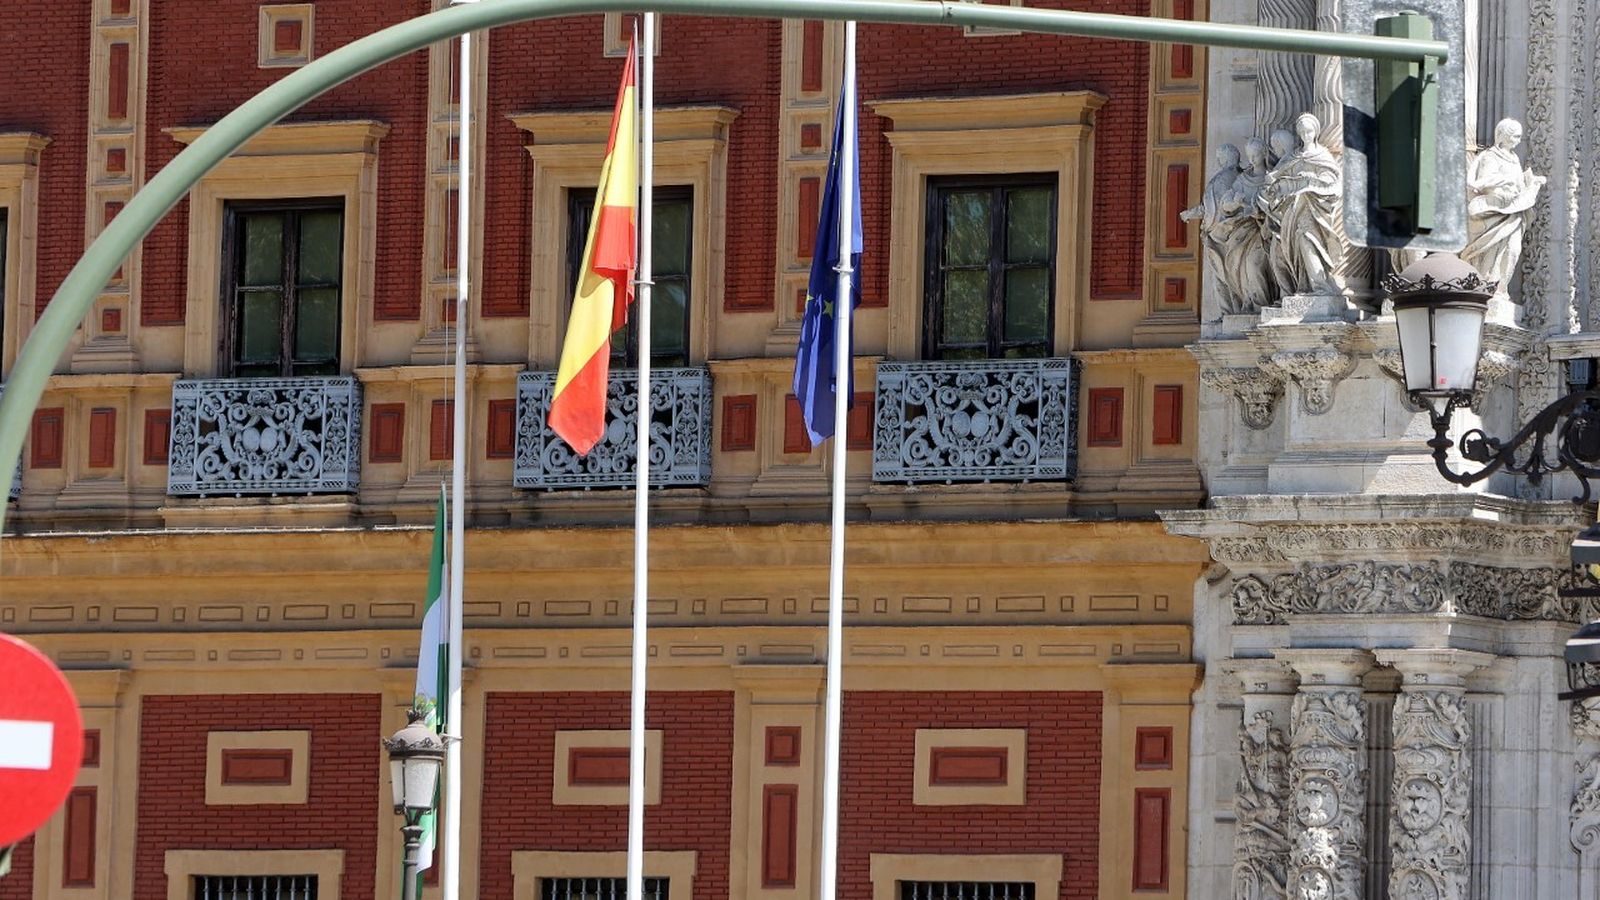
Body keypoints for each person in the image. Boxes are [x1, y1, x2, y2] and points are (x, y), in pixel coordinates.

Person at [1260, 113, 1343, 296]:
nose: (1306, 134)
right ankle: (1302, 286)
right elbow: (1276, 181)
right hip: (1291, 211)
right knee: (1294, 247)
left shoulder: (1322, 155)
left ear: (1315, 132)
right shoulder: (1293, 157)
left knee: (1308, 241)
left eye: (1309, 131)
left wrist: (1311, 181)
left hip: (1312, 209)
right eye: (1303, 131)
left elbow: (1332, 180)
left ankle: (1321, 286)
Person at [1461, 118, 1545, 292]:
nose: (1518, 140)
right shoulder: (1490, 156)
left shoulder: (1514, 159)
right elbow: (1483, 182)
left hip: (1513, 211)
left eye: (1519, 136)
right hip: (1495, 210)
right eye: (1515, 136)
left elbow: (1519, 185)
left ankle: (1501, 289)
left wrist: (1531, 182)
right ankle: (1485, 287)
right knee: (1491, 251)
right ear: (1504, 136)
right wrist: (1505, 180)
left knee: (1512, 251)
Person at [1181, 144, 1241, 311]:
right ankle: (1230, 311)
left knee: (1224, 276)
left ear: (1227, 157)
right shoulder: (1235, 176)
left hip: (1221, 232)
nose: (1218, 160)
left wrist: (1192, 213)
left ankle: (1229, 312)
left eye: (1220, 156)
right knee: (1227, 275)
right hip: (1225, 232)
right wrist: (1191, 213)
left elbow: (1214, 207)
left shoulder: (1225, 178)